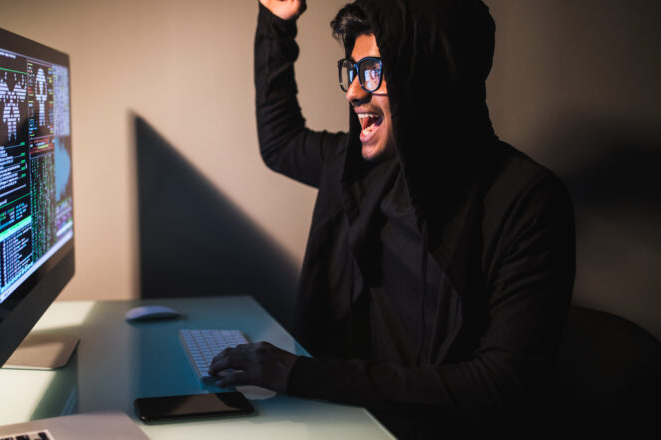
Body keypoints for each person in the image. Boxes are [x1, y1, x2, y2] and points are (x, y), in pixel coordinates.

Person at [209, 0, 576, 437]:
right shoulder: (357, 169)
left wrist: (301, 375)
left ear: (430, 77)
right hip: (347, 422)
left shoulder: (527, 200)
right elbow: (280, 142)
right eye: (352, 71)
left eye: (373, 72)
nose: (353, 92)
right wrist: (277, 20)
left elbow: (502, 384)